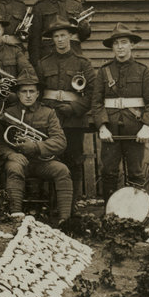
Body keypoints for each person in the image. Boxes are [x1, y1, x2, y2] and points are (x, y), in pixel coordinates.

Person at [90, 24, 149, 202]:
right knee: (108, 172)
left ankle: (136, 212)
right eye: (116, 43)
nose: (120, 47)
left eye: (124, 42)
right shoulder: (104, 71)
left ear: (132, 44)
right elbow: (96, 102)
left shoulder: (143, 70)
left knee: (136, 173)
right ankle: (110, 212)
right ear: (112, 47)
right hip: (110, 131)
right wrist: (102, 127)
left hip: (136, 130)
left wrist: (146, 127)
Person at [0, 70, 72, 222]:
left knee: (62, 170)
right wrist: (11, 155)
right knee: (14, 169)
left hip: (42, 161)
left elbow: (60, 141)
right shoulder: (8, 113)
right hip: (18, 160)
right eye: (24, 91)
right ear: (18, 94)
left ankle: (65, 220)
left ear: (37, 94)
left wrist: (36, 146)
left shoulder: (48, 113)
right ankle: (15, 217)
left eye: (31, 91)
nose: (28, 95)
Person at [35, 18, 96, 204]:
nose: (60, 39)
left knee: (74, 160)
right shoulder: (43, 63)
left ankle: (72, 202)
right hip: (49, 118)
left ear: (70, 36)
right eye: (56, 36)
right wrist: (44, 114)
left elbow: (93, 93)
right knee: (51, 160)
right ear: (52, 39)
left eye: (63, 35)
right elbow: (37, 92)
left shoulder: (83, 63)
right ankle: (53, 202)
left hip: (74, 120)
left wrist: (74, 108)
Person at [28, 0, 92, 61]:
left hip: (73, 54)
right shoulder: (40, 7)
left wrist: (85, 27)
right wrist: (36, 63)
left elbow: (83, 36)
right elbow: (34, 40)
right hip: (49, 55)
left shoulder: (75, 5)